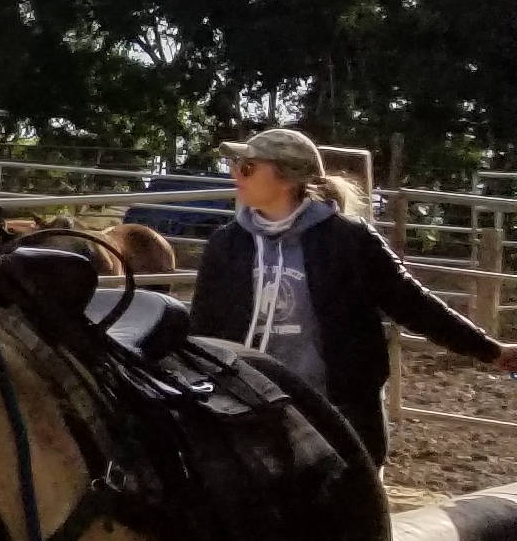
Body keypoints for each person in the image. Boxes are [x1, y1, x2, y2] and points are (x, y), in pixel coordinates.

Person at [188, 126, 517, 462]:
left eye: (247, 167)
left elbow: (413, 304)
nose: (235, 174)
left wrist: (489, 350)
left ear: (286, 178)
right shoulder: (226, 244)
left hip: (336, 412)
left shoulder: (349, 240)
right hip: (250, 408)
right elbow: (203, 328)